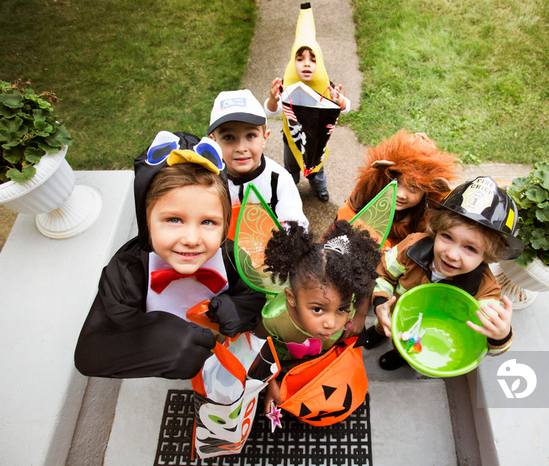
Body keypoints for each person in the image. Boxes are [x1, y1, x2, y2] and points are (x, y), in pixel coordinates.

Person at [74, 131, 266, 379]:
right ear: (147, 221)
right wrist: (156, 344)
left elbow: (257, 294)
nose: (191, 239)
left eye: (208, 222)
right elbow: (90, 354)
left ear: (224, 223)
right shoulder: (127, 271)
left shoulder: (232, 258)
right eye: (174, 219)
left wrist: (239, 308)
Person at [371, 176, 525, 370]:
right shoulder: (412, 247)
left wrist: (501, 334)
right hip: (393, 311)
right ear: (436, 229)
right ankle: (376, 332)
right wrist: (380, 303)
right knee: (382, 322)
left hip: (429, 331)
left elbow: (489, 347)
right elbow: (383, 273)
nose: (451, 254)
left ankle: (400, 355)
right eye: (447, 236)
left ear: (488, 254)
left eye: (470, 248)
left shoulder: (484, 290)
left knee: (408, 347)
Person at [255, 219, 381, 412]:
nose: (331, 324)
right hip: (287, 361)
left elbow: (368, 279)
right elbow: (260, 349)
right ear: (291, 298)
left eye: (342, 309)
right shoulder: (273, 319)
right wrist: (271, 381)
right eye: (317, 309)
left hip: (321, 356)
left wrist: (361, 314)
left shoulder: (349, 302)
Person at [264, 2, 350, 202]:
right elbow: (270, 113)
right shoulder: (284, 86)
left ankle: (319, 187)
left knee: (316, 171)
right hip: (291, 140)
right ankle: (289, 189)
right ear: (292, 62)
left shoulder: (327, 86)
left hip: (316, 143)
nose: (307, 64)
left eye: (312, 59)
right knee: (291, 168)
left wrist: (340, 100)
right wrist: (272, 99)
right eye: (300, 59)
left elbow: (345, 110)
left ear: (319, 62)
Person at [207, 89, 308, 238]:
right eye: (228, 137)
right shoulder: (207, 180)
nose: (241, 148)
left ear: (264, 138)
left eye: (251, 135)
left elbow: (296, 228)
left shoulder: (278, 179)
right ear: (213, 141)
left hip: (268, 254)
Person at [337, 130, 461, 250]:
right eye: (395, 182)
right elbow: (345, 218)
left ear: (426, 192)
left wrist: (394, 252)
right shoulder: (366, 192)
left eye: (414, 187)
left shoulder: (425, 220)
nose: (401, 194)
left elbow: (417, 250)